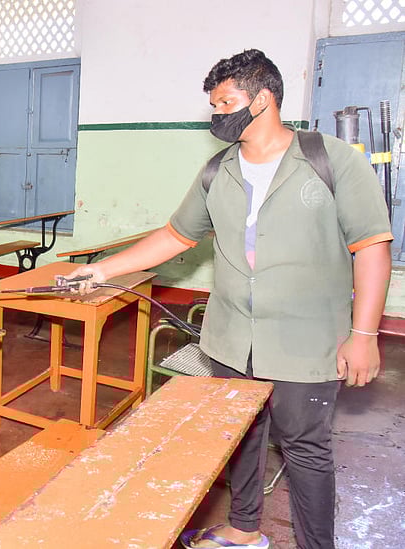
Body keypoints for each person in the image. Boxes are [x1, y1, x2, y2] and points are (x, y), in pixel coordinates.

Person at [67, 49, 391, 549]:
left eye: (226, 102)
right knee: (238, 434)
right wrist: (103, 268)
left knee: (305, 449)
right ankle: (243, 529)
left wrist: (363, 335)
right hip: (232, 337)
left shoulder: (330, 161)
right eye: (214, 105)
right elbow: (176, 235)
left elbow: (371, 247)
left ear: (263, 100)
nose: (218, 114)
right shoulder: (218, 170)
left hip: (307, 343)